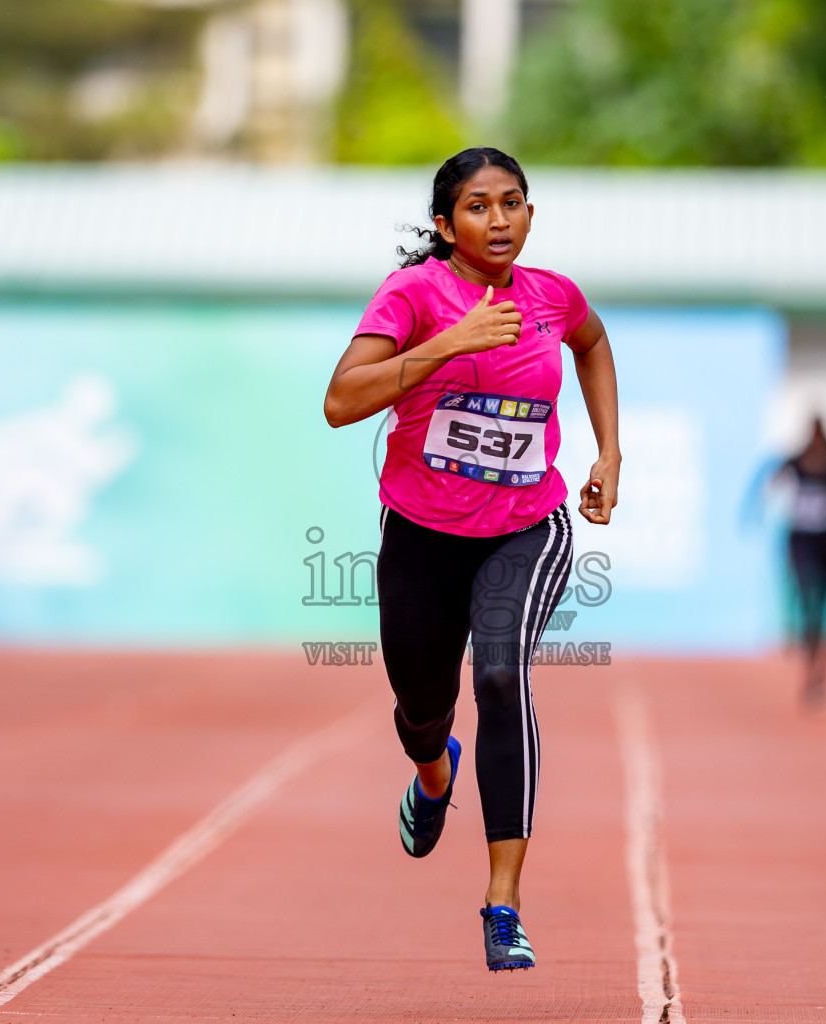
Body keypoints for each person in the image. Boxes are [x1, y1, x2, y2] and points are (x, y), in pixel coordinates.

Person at [324, 148, 620, 971]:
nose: (500, 220)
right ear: (446, 224)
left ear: (531, 215)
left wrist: (609, 455)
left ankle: (502, 901)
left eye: (514, 203)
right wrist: (449, 344)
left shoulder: (554, 297)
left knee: (499, 676)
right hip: (421, 532)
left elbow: (592, 346)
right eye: (480, 207)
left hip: (527, 525)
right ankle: (432, 774)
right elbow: (341, 403)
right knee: (422, 703)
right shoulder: (414, 296)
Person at [776, 417, 826, 709]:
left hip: (820, 541)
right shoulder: (800, 459)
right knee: (805, 601)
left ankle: (817, 669)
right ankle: (803, 646)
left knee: (821, 608)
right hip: (803, 540)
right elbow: (773, 476)